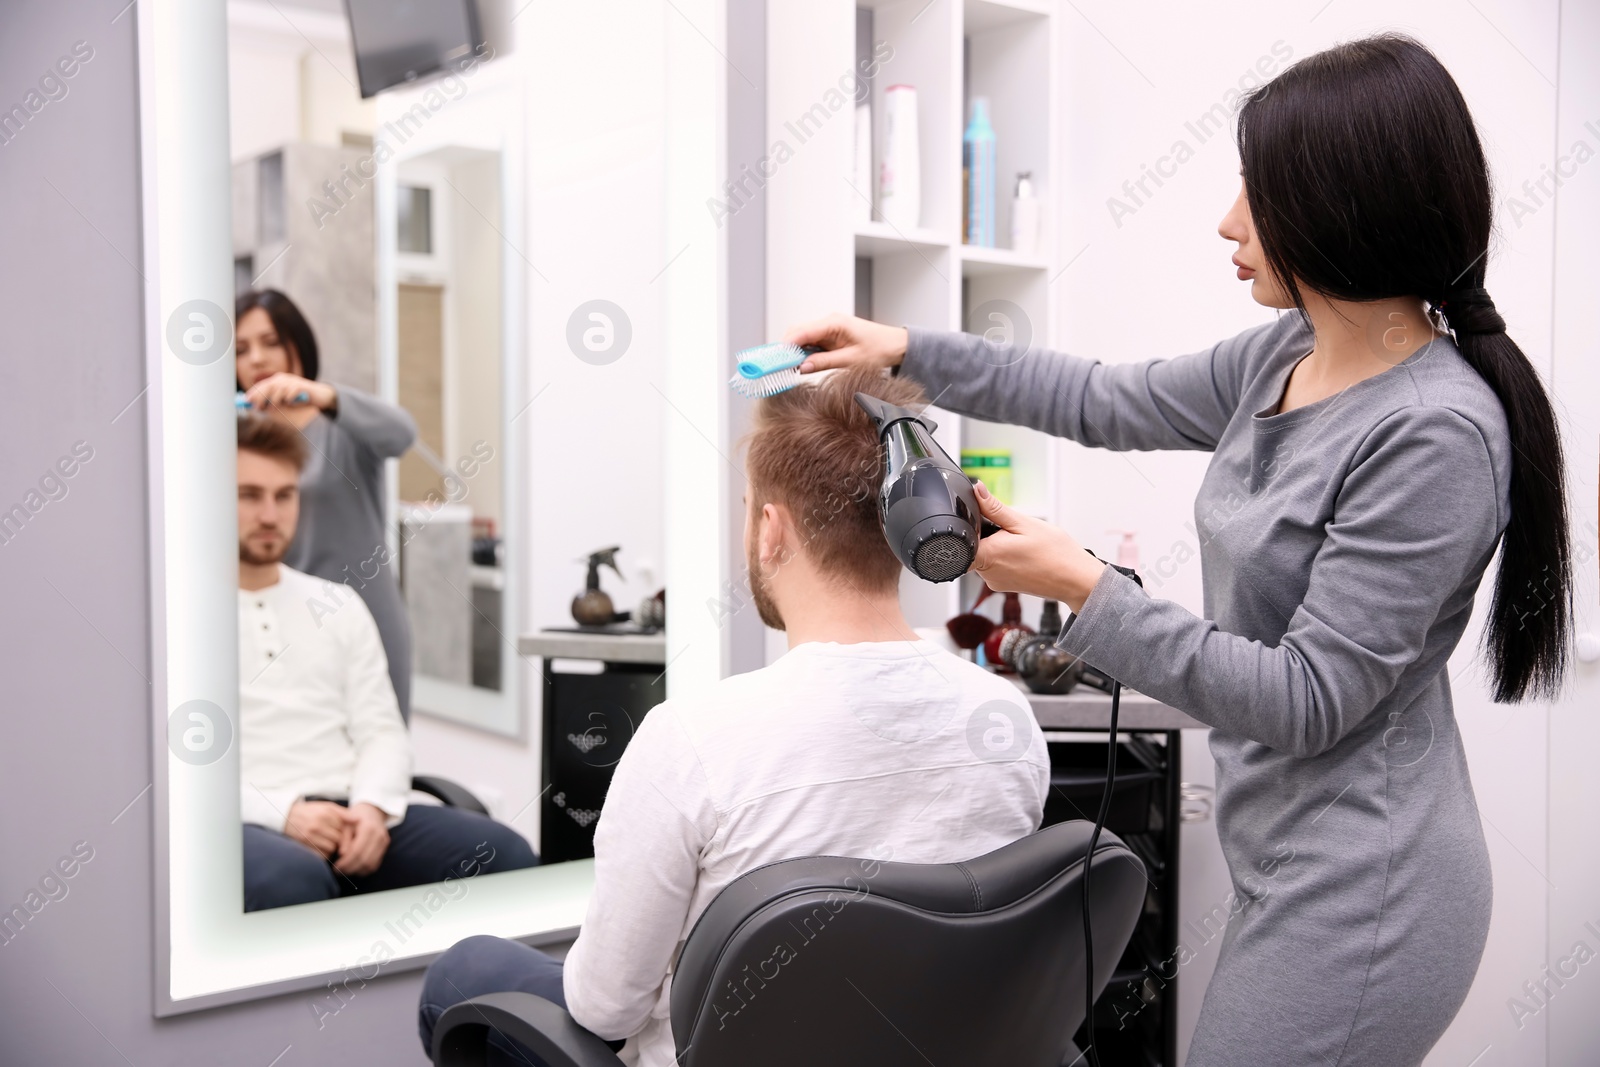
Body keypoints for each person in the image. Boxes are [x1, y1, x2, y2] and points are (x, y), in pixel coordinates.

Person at [787, 34, 1573, 1067]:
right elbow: (1102, 396)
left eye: (1259, 189)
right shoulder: (1285, 354)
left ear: (1343, 206)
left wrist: (1083, 586)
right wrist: (909, 352)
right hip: (1282, 857)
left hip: (1369, 885)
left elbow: (1305, 695)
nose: (1227, 219)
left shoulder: (1432, 430)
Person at [416, 366, 1051, 1066]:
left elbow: (604, 1007)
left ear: (769, 528)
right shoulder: (1006, 720)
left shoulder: (693, 740)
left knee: (462, 974)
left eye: (751, 506)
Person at [236, 414, 536, 911]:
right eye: (249, 495)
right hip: (247, 819)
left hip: (353, 806)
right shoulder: (178, 619)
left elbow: (381, 730)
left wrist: (372, 809)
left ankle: (465, 988)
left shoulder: (337, 603)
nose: (270, 514)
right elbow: (177, 766)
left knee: (504, 853)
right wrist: (282, 812)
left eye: (284, 495)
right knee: (291, 881)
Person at [236, 288, 418, 719]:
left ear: (299, 345)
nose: (256, 359)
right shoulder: (236, 441)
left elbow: (402, 434)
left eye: (271, 342)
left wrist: (325, 397)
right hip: (275, 623)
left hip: (361, 617)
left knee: (376, 747)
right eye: (241, 350)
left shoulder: (343, 426)